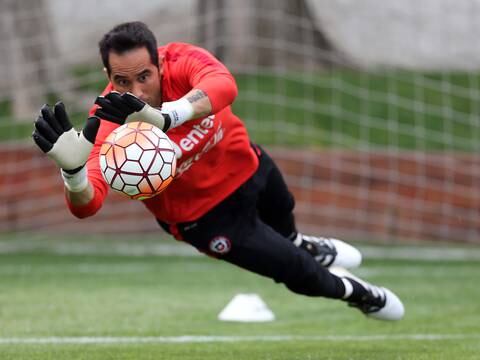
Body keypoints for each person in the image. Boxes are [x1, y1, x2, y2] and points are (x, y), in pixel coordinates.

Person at [32, 21, 404, 321]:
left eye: (144, 76)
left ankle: (300, 241)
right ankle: (361, 294)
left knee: (285, 216)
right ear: (107, 75)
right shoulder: (108, 125)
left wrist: (168, 116)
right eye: (122, 81)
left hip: (247, 166)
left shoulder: (181, 60)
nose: (137, 91)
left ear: (159, 63)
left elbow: (224, 85)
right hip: (206, 219)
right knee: (298, 272)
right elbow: (87, 204)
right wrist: (74, 172)